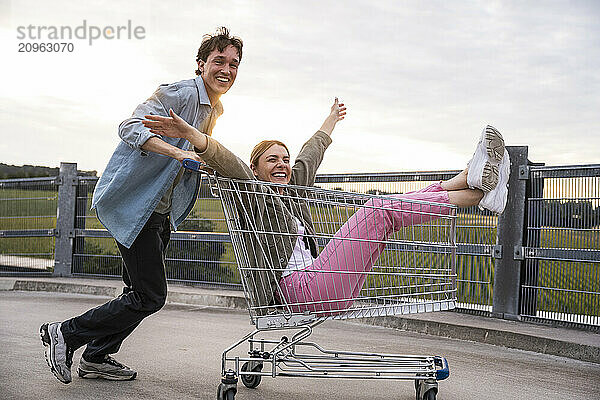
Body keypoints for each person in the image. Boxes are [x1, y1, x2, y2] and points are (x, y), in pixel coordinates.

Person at [142, 99, 510, 315]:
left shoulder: (294, 192)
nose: (283, 164)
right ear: (255, 170)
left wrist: (331, 119)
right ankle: (477, 194)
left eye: (284, 159)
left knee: (384, 213)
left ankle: (468, 179)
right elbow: (228, 162)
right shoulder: (249, 194)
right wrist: (194, 136)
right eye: (272, 160)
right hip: (294, 290)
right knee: (377, 210)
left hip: (320, 282)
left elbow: (309, 154)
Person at [40, 27, 243, 384]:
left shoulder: (215, 109)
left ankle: (97, 357)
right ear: (201, 64)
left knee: (135, 292)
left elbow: (194, 156)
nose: (226, 69)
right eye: (219, 61)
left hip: (160, 212)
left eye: (234, 63)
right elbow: (129, 126)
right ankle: (65, 334)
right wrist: (177, 150)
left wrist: (202, 160)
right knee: (150, 295)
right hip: (137, 207)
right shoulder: (177, 94)